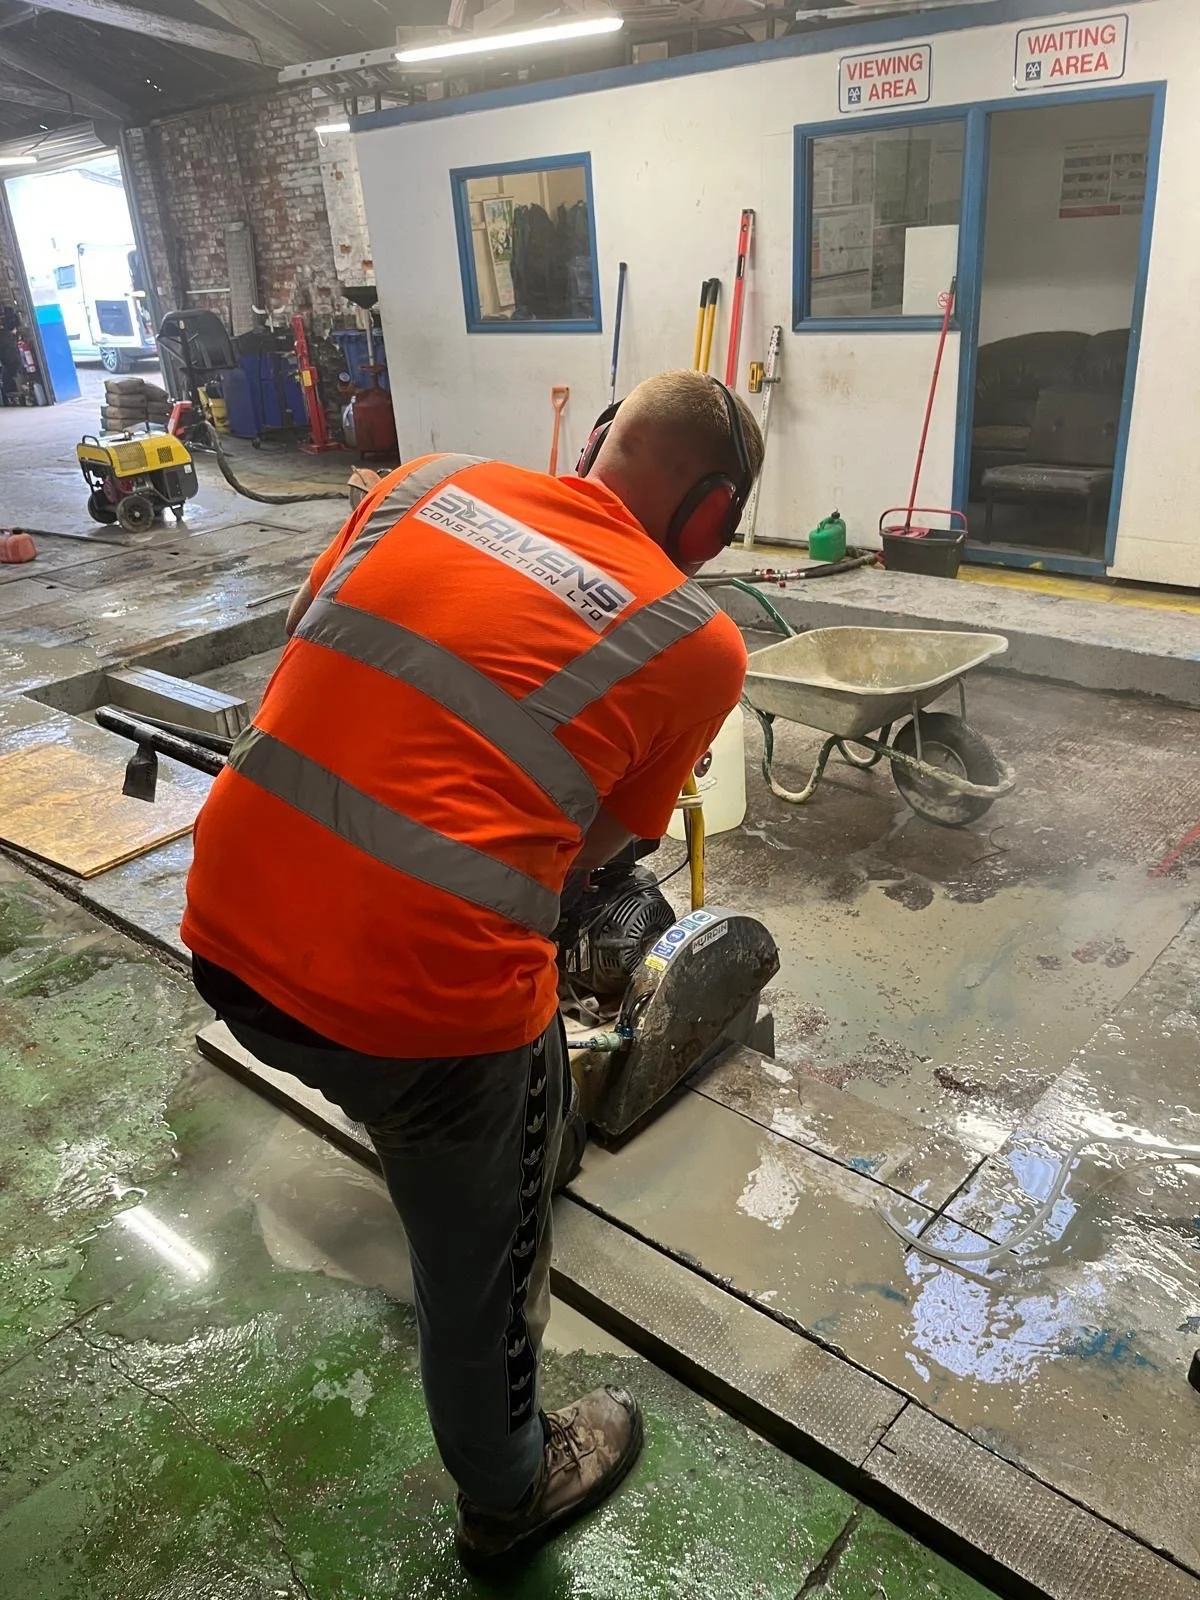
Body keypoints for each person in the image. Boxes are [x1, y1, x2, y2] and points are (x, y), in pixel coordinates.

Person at [182, 369, 763, 1571]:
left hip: (229, 932)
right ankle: (507, 1492)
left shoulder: (418, 485)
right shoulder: (696, 637)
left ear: (603, 441)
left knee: (511, 1062)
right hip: (420, 1017)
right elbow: (592, 854)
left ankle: (517, 1162)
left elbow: (316, 660)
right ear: (710, 522)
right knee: (480, 1280)